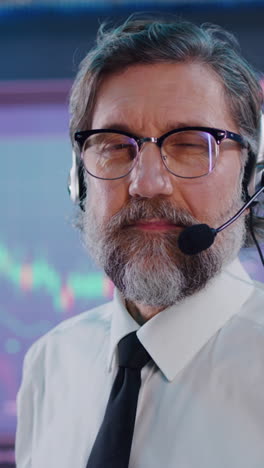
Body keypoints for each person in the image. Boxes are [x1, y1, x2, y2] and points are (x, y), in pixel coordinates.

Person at [16, 15, 264, 468]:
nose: (147, 183)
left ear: (251, 178)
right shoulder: (50, 364)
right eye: (114, 144)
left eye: (191, 143)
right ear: (78, 181)